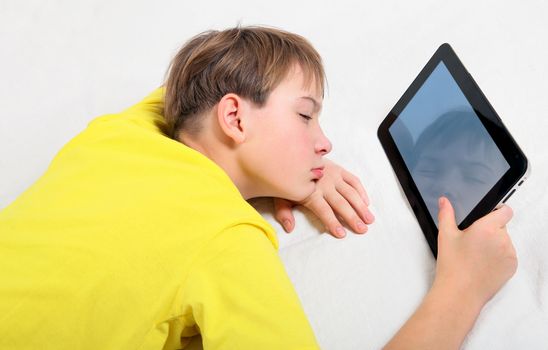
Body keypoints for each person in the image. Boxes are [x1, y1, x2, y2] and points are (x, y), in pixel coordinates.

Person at [0, 26, 516, 349]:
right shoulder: (226, 239)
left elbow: (190, 85)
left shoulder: (120, 133)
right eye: (306, 116)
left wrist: (281, 166)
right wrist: (462, 290)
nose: (325, 142)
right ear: (233, 116)